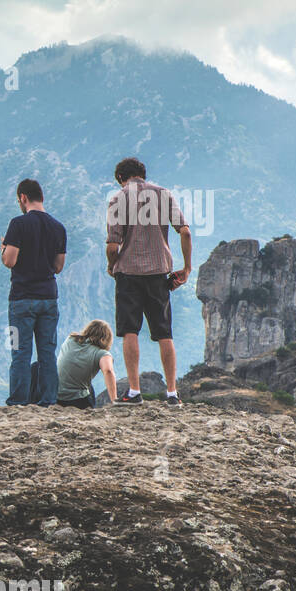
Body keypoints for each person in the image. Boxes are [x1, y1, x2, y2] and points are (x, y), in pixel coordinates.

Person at [106, 157, 192, 406]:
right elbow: (184, 231)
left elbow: (113, 246)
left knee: (130, 330)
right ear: (142, 174)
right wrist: (186, 268)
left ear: (122, 178)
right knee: (164, 332)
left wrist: (113, 266)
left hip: (128, 274)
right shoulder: (163, 195)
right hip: (158, 272)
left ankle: (134, 391)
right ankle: (173, 393)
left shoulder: (118, 199)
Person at [1, 178, 66, 406]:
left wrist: (3, 249)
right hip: (49, 299)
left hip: (20, 300)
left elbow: (10, 260)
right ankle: (48, 400)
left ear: (23, 198)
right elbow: (58, 266)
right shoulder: (58, 227)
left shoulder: (18, 224)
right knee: (47, 353)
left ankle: (18, 401)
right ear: (42, 197)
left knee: (19, 351)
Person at [51, 320, 118, 409]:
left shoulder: (70, 339)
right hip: (76, 401)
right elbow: (108, 371)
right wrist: (114, 400)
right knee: (90, 388)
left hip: (54, 395)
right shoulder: (101, 354)